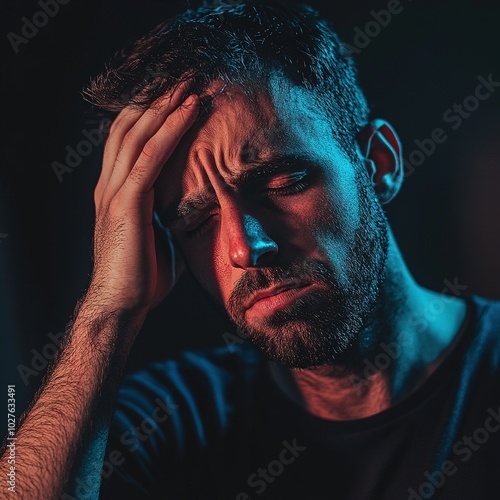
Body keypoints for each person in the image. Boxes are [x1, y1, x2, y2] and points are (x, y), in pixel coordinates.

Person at [1, 0, 500, 498]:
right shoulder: (172, 419)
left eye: (282, 182)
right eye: (197, 222)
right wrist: (109, 307)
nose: (245, 248)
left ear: (379, 162)